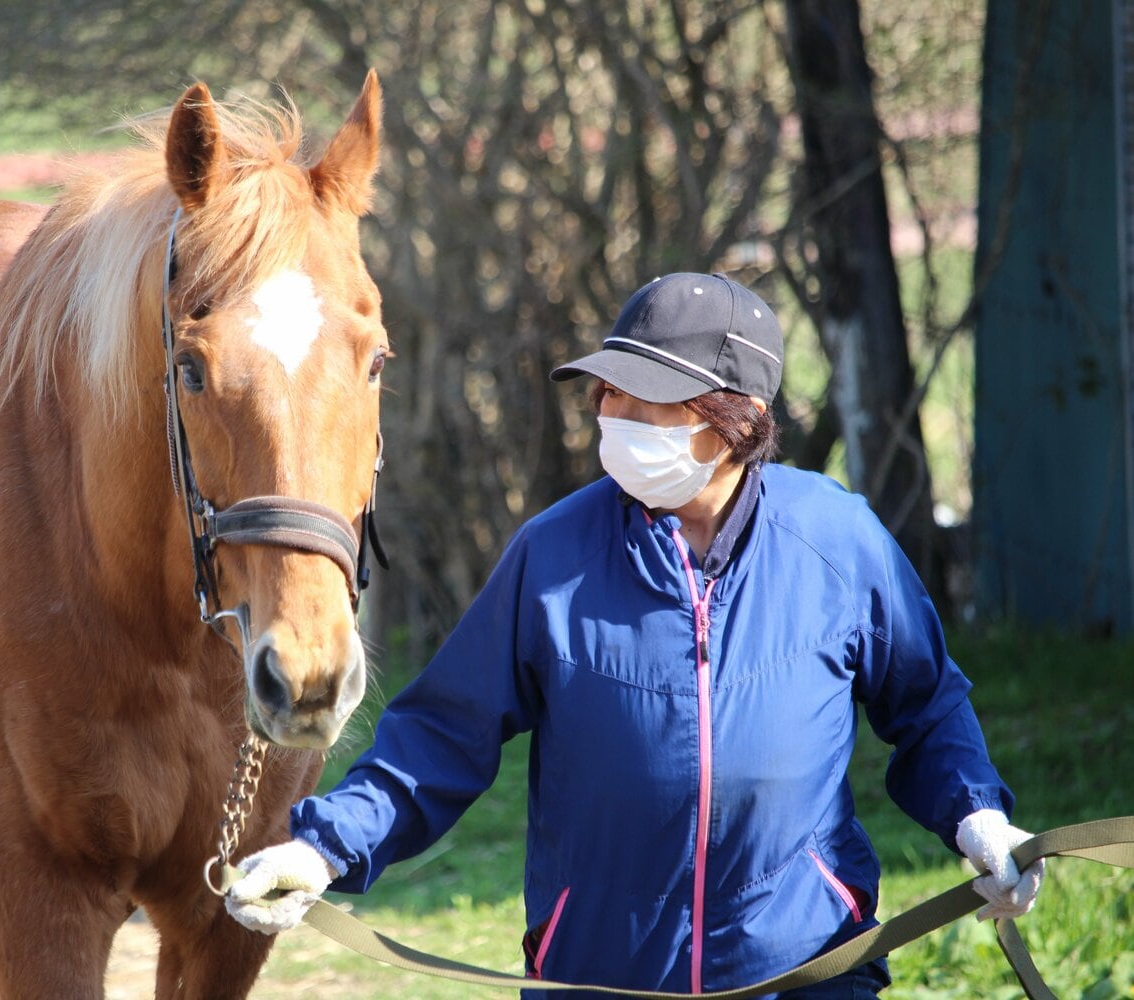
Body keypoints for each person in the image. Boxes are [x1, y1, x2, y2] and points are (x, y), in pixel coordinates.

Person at [224, 272, 1044, 999]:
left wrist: (979, 819)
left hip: (807, 976)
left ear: (738, 418)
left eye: (646, 397)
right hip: (596, 979)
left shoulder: (840, 540)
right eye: (608, 391)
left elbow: (927, 707)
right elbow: (442, 734)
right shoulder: (552, 554)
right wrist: (325, 849)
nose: (613, 413)